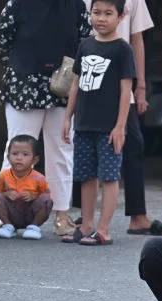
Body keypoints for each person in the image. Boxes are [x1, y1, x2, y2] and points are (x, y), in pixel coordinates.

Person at [0, 0, 92, 238]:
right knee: (16, 148)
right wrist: (22, 68)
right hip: (24, 84)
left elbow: (85, 43)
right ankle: (6, 215)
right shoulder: (17, 4)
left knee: (63, 148)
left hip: (64, 84)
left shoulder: (76, 5)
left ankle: (61, 214)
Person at [73, 0, 162, 237]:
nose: (101, 16)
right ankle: (84, 218)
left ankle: (137, 216)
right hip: (88, 87)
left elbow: (137, 39)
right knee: (84, 155)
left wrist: (141, 87)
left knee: (133, 146)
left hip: (121, 89)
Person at [60, 0, 135, 246]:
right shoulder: (85, 45)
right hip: (83, 124)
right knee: (86, 176)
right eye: (96, 13)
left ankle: (103, 229)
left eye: (108, 13)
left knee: (109, 177)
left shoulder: (123, 49)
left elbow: (126, 91)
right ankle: (86, 225)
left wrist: (120, 126)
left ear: (121, 16)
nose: (101, 18)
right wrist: (67, 117)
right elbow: (75, 84)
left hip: (109, 127)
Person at [0, 134, 53, 239]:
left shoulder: (39, 178)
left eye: (25, 154)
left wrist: (33, 196)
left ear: (35, 160)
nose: (19, 158)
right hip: (11, 213)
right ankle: (8, 226)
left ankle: (33, 227)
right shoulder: (3, 175)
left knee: (46, 200)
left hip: (30, 213)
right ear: (8, 157)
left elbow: (46, 197)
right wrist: (6, 194)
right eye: (15, 154)